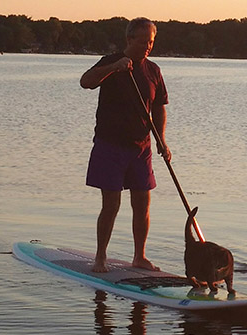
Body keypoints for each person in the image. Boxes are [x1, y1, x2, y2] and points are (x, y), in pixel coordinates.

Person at [80, 18, 171, 273]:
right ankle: (100, 257)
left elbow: (158, 107)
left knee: (142, 203)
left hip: (141, 148)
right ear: (129, 40)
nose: (147, 47)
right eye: (143, 42)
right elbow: (86, 81)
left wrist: (161, 140)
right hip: (110, 145)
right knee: (111, 205)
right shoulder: (110, 61)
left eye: (151, 42)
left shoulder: (153, 70)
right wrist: (113, 68)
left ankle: (139, 257)